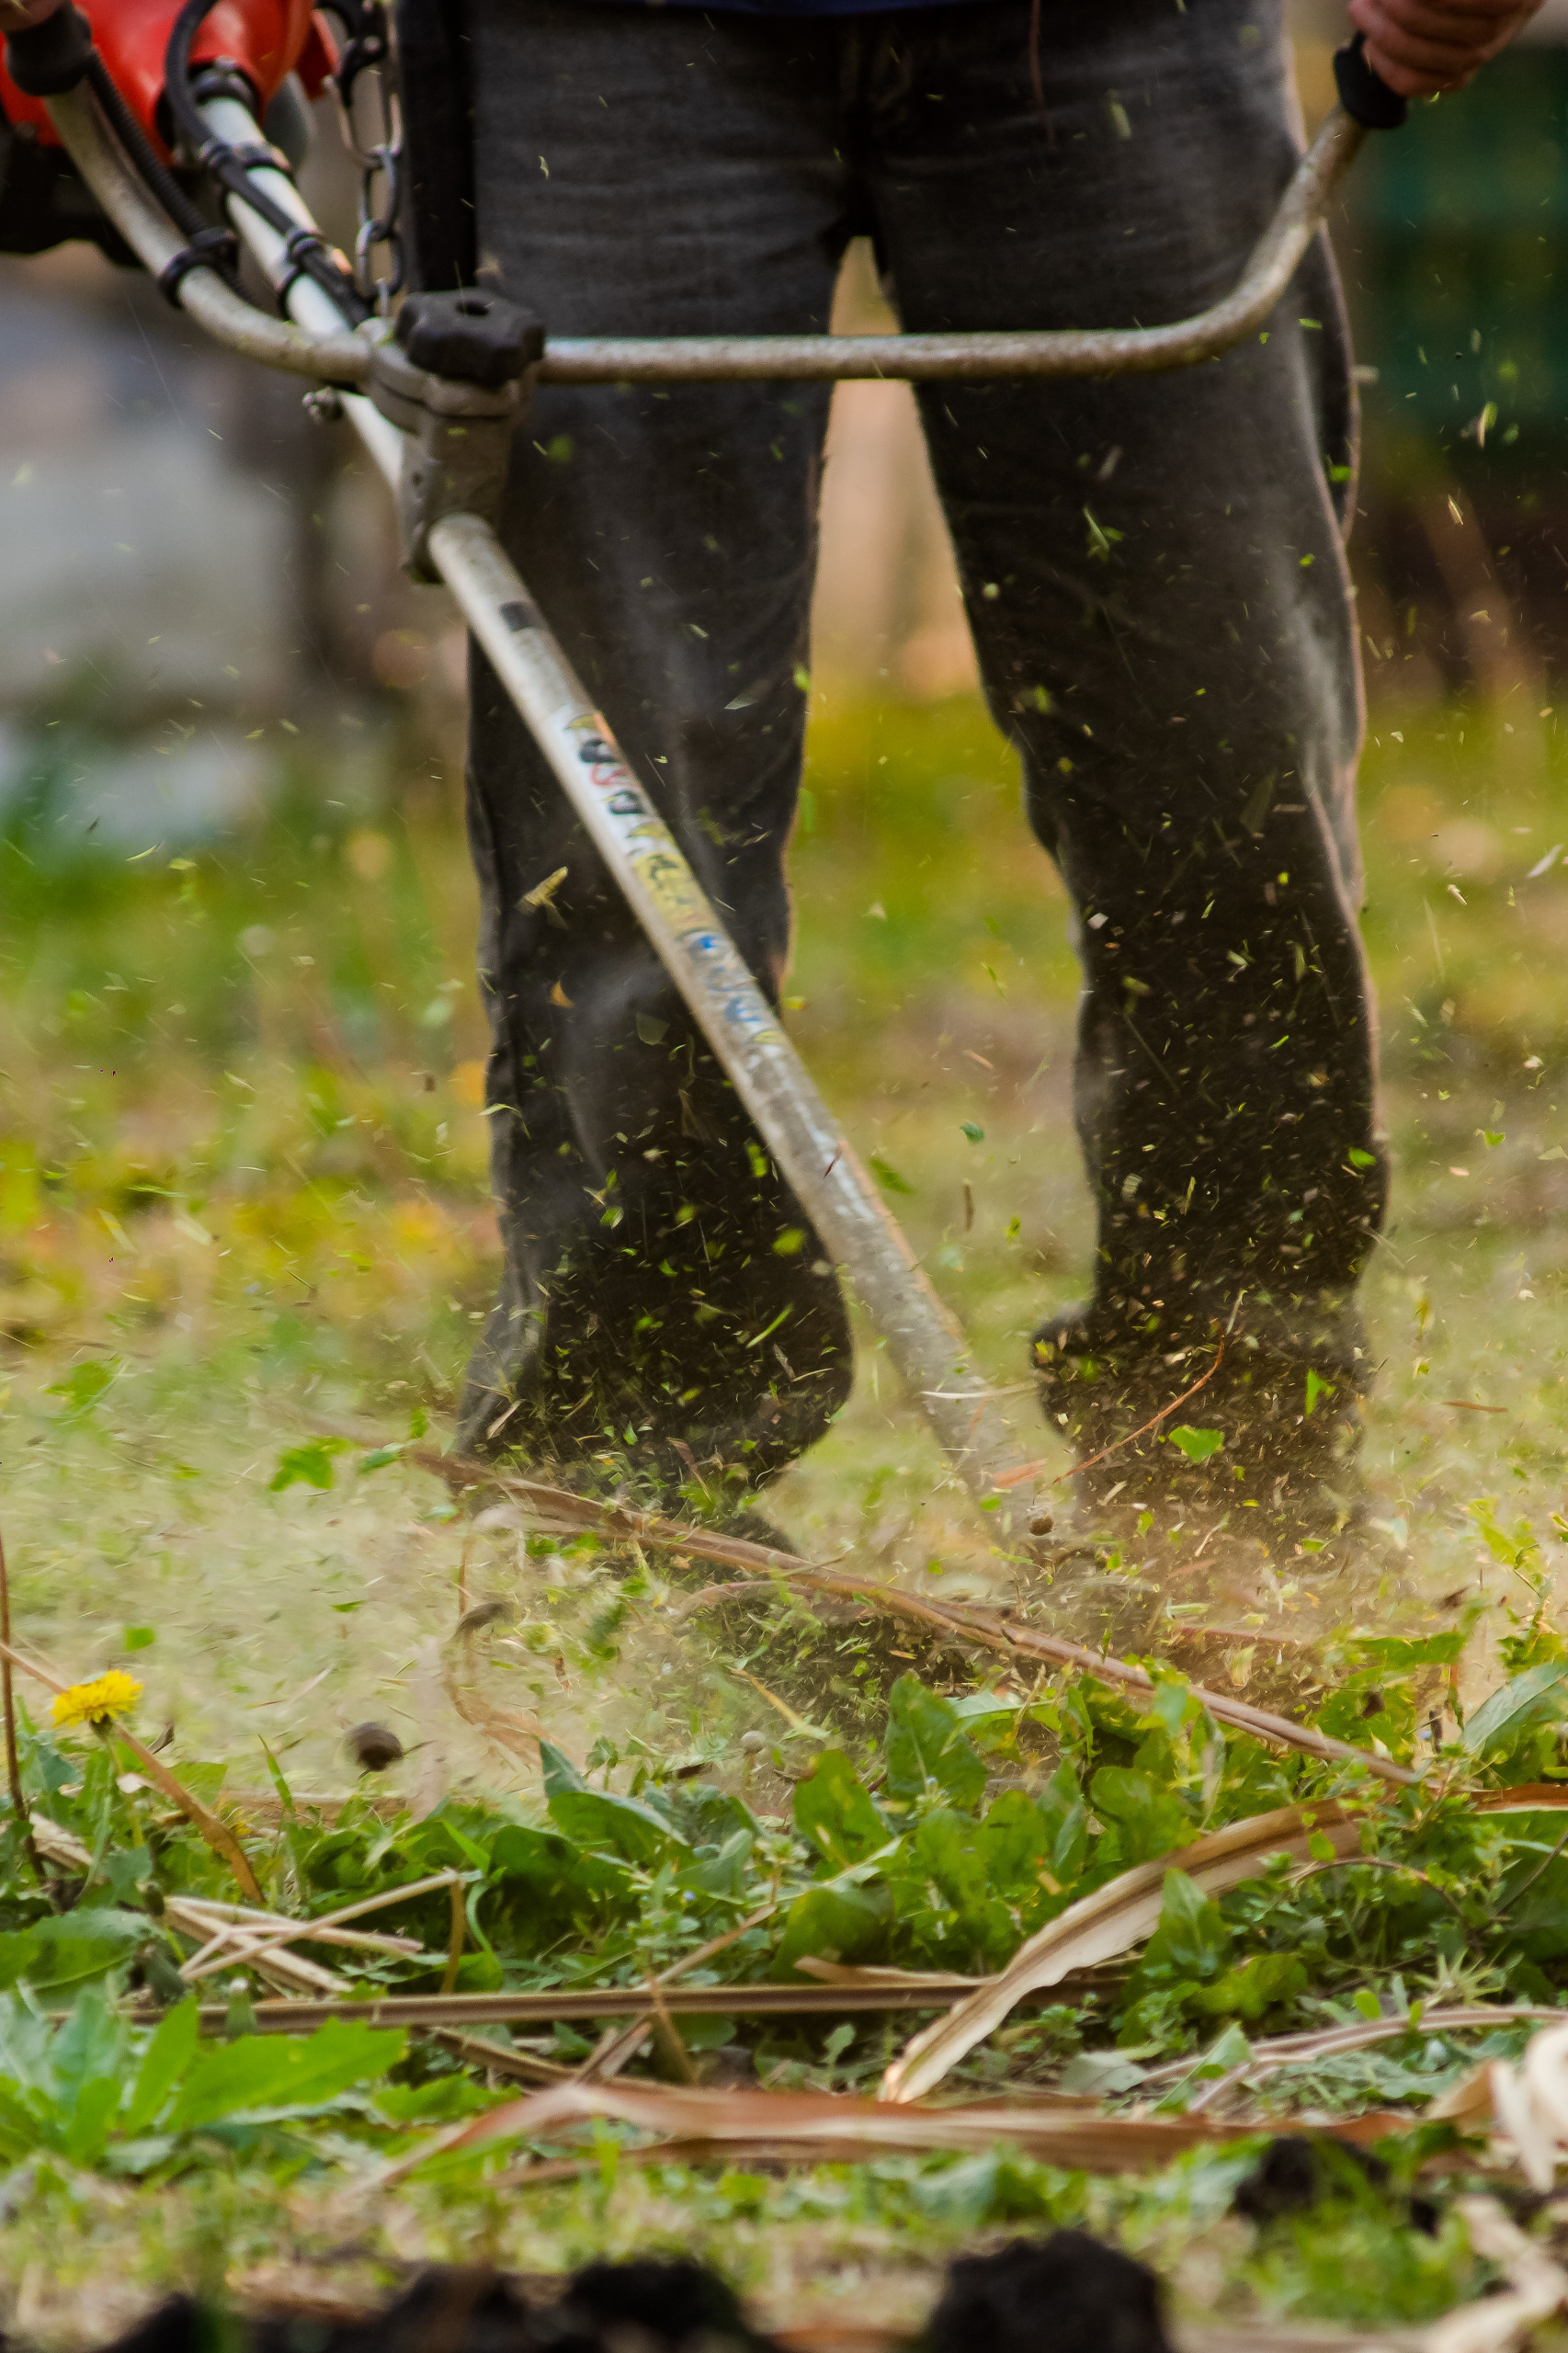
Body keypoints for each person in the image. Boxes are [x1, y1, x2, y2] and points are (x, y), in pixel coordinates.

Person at [443, 0, 1544, 1562]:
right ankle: (626, 1532)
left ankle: (1234, 1492)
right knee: (624, 827)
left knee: (1219, 773)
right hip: (600, 47)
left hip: (1113, 38)